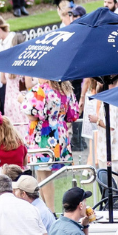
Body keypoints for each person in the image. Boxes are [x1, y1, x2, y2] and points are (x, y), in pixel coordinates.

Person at [22, 78, 79, 211]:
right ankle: (45, 210)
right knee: (44, 175)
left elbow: (32, 115)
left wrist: (21, 100)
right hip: (60, 132)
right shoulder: (66, 89)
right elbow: (72, 115)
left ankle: (51, 211)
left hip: (44, 134)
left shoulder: (41, 89)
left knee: (44, 175)